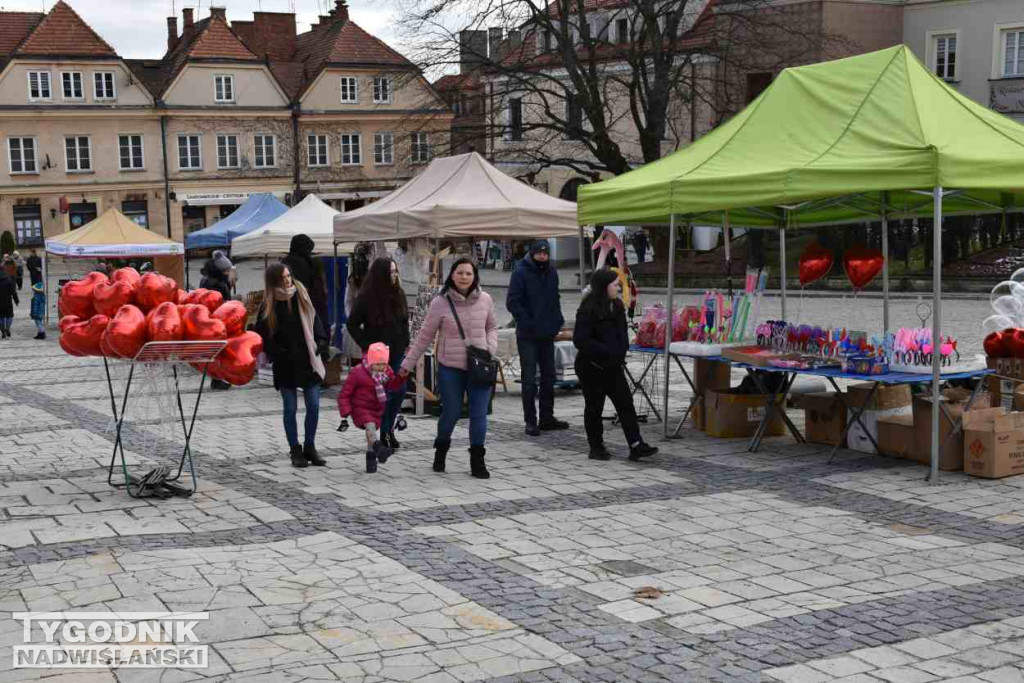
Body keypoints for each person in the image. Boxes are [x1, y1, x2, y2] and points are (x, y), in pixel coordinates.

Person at [399, 259, 497, 478]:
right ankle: (441, 450)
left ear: (475, 276)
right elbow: (424, 336)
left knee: (479, 414)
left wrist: (490, 347)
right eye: (460, 272)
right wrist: (407, 364)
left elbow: (492, 326)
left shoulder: (486, 299)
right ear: (452, 275)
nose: (464, 277)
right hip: (450, 367)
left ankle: (477, 461)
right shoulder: (440, 303)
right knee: (450, 413)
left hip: (480, 366)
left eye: (468, 273)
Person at [573, 268, 659, 461]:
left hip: (613, 366)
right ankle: (596, 447)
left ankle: (636, 445)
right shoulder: (588, 308)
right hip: (592, 367)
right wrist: (605, 351)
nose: (618, 287)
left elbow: (622, 333)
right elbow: (581, 339)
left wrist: (620, 351)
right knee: (594, 407)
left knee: (625, 404)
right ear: (604, 287)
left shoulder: (618, 306)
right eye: (614, 284)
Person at [254, 263, 329, 468]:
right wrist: (277, 350)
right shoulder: (268, 304)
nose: (288, 280)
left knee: (313, 406)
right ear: (274, 282)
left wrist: (321, 339)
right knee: (290, 408)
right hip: (286, 363)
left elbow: (315, 318)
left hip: (307, 359)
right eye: (283, 278)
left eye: (289, 276)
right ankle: (295, 450)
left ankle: (310, 447)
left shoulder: (301, 294)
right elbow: (262, 334)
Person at [506, 239, 568, 436]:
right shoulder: (520, 272)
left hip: (547, 333)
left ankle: (547, 417)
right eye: (539, 252)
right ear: (532, 253)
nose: (542, 255)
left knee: (549, 377)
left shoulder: (551, 271)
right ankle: (530, 421)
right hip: (528, 335)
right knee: (529, 379)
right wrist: (527, 322)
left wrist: (558, 320)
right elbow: (513, 302)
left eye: (545, 252)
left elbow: (555, 298)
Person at [346, 257, 409, 450]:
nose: (394, 275)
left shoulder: (399, 293)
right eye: (390, 271)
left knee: (399, 391)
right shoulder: (366, 296)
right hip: (378, 355)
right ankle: (383, 433)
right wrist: (367, 344)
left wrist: (407, 344)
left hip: (397, 350)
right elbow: (352, 323)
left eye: (395, 271)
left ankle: (388, 429)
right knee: (385, 394)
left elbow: (404, 321)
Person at [338, 342, 400, 473]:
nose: (381, 367)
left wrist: (401, 379)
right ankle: (380, 449)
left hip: (377, 409)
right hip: (360, 408)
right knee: (370, 428)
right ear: (371, 362)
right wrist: (345, 411)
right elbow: (345, 393)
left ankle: (371, 459)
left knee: (370, 435)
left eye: (384, 364)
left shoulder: (387, 372)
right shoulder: (358, 372)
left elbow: (392, 385)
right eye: (378, 364)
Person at [282, 234, 329, 329]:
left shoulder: (285, 262)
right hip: (303, 308)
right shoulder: (303, 263)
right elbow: (305, 289)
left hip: (286, 307)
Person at [0, 262, 17, 339]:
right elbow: (13, 291)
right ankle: (8, 328)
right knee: (9, 316)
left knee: (1, 317)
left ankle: (3, 330)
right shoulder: (8, 279)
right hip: (8, 301)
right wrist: (16, 300)